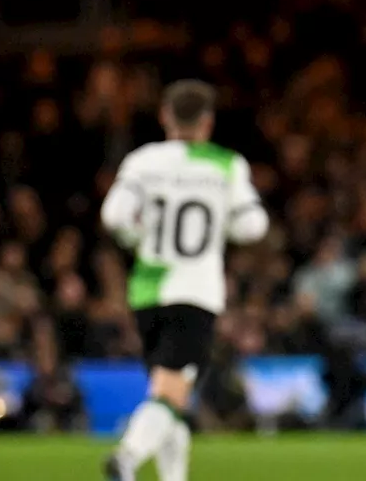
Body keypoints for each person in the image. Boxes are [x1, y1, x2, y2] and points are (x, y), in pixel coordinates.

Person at [100, 80, 269, 481]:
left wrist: (139, 236)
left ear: (165, 116)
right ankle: (126, 458)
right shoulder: (227, 164)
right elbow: (252, 226)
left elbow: (115, 216)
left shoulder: (143, 161)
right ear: (207, 122)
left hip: (146, 291)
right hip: (195, 291)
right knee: (171, 392)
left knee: (172, 393)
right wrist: (222, 222)